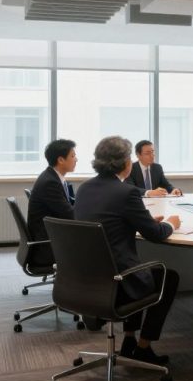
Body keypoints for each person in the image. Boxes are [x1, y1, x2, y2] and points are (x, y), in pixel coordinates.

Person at [74, 136, 182, 365]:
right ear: (124, 163)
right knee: (167, 277)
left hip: (85, 281)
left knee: (137, 269)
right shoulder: (126, 192)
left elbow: (111, 221)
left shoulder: (84, 189)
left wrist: (142, 219)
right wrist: (172, 223)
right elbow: (155, 234)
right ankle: (143, 346)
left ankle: (129, 339)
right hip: (117, 282)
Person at [26, 139, 77, 266]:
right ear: (60, 160)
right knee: (97, 244)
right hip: (48, 246)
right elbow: (70, 215)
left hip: (52, 237)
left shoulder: (53, 177)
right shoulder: (50, 183)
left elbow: (68, 208)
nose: (76, 159)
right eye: (73, 156)